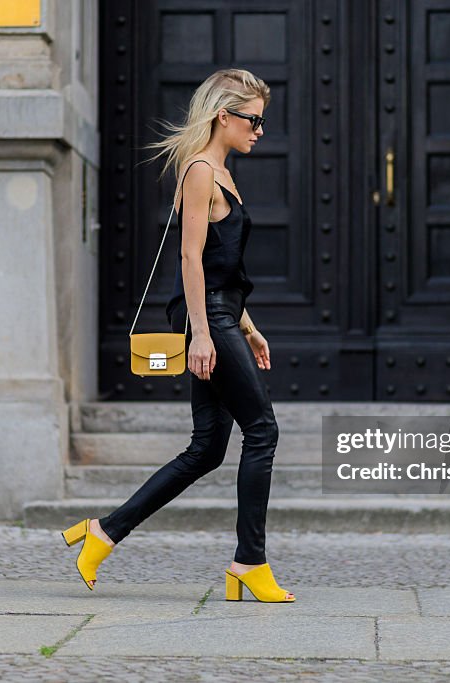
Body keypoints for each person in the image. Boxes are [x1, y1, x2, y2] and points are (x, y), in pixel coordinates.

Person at [60, 68, 294, 603]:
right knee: (262, 430)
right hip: (206, 318)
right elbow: (190, 258)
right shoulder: (199, 172)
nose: (260, 130)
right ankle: (250, 562)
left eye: (262, 120)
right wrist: (203, 337)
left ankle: (103, 533)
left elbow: (223, 266)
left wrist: (248, 327)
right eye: (253, 120)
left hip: (222, 314)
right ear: (223, 116)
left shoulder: (224, 173)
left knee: (208, 448)